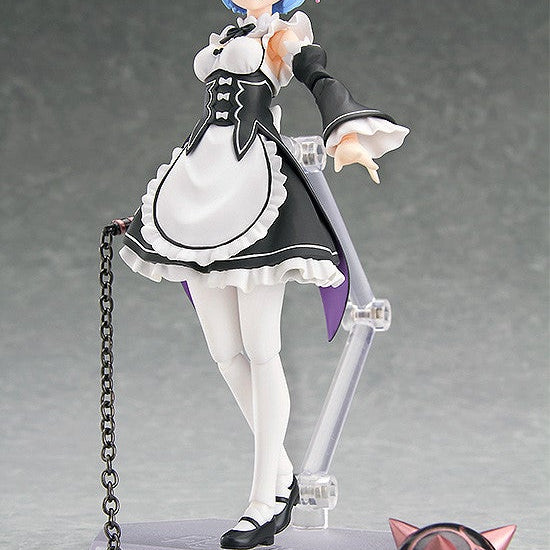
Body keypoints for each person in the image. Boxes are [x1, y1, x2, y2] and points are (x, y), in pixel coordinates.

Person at [119, 0, 409, 548]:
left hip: (254, 183)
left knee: (260, 349)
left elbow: (316, 77)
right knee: (224, 351)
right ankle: (282, 476)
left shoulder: (280, 34)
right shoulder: (227, 34)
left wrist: (347, 137)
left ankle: (263, 502)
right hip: (202, 178)